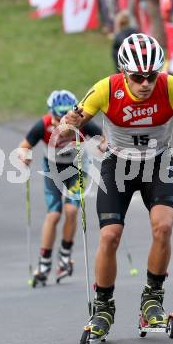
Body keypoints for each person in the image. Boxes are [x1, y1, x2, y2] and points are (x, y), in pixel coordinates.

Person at [61, 33, 173, 339]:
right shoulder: (105, 89)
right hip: (117, 165)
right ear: (125, 73)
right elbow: (66, 129)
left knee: (163, 228)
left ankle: (152, 300)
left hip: (158, 163)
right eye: (137, 77)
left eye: (151, 75)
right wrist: (69, 124)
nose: (145, 83)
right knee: (110, 236)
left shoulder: (172, 86)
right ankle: (104, 307)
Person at [18, 90, 103, 285]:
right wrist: (25, 157)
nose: (60, 121)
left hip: (78, 168)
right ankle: (44, 261)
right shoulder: (44, 124)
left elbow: (103, 140)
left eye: (65, 116)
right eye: (57, 116)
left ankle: (65, 255)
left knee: (71, 210)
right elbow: (24, 146)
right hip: (52, 169)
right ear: (51, 112)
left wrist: (104, 147)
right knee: (54, 214)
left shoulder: (84, 122)